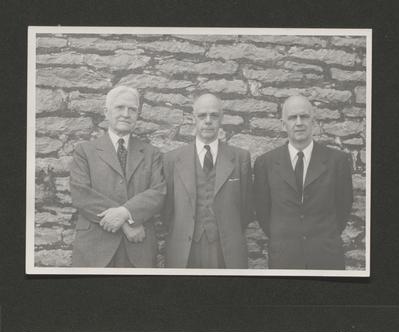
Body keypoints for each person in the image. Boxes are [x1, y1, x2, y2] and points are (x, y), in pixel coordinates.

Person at [253, 94, 353, 270]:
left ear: (313, 121)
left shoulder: (337, 161)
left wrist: (323, 239)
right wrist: (284, 237)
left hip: (326, 258)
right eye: (292, 117)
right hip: (284, 259)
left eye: (304, 116)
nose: (299, 122)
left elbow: (343, 207)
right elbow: (263, 212)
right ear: (284, 124)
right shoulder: (265, 163)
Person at [70, 86, 166, 267]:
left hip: (138, 248)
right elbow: (80, 194)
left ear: (137, 115)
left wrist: (124, 212)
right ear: (106, 112)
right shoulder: (85, 151)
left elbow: (158, 192)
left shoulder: (151, 153)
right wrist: (126, 223)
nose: (126, 114)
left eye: (132, 109)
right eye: (119, 107)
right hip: (95, 248)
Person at [163, 93, 253, 269]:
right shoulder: (172, 160)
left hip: (225, 250)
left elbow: (246, 209)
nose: (208, 120)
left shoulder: (240, 158)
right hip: (184, 249)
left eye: (214, 115)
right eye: (202, 115)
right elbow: (167, 211)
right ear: (193, 118)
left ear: (222, 119)